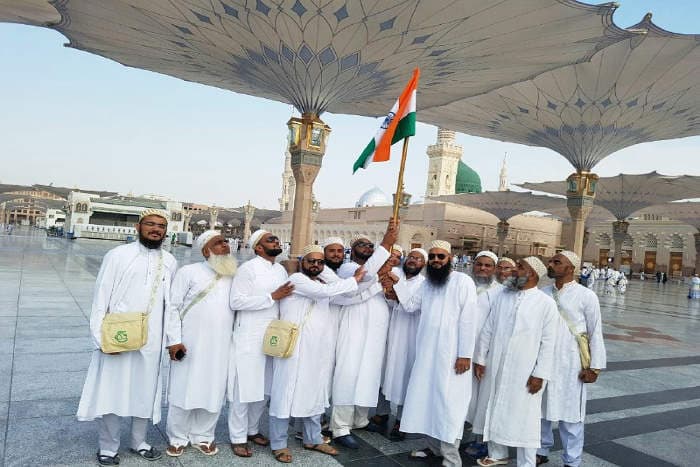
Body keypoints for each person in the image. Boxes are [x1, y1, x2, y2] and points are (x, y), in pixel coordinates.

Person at [77, 209, 177, 466]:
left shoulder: (169, 261)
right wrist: (100, 339)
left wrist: (173, 339)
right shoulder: (118, 256)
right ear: (138, 227)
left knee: (144, 391)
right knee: (112, 390)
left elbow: (172, 305)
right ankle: (108, 447)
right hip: (118, 336)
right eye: (151, 224)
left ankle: (139, 441)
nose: (156, 229)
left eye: (161, 226)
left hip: (152, 339)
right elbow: (101, 297)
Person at [268, 245, 366, 463]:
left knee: (314, 393)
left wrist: (340, 280)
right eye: (311, 261)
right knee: (285, 395)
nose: (316, 265)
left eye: (320, 262)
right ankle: (278, 443)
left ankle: (312, 438)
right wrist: (354, 279)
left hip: (317, 351)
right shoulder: (297, 280)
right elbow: (327, 292)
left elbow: (346, 294)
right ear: (302, 262)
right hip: (293, 350)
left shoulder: (321, 283)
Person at [396, 240, 478, 466]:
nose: (435, 261)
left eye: (440, 257)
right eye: (432, 257)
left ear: (450, 259)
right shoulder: (427, 284)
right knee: (427, 400)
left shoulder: (463, 282)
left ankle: (452, 457)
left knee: (448, 404)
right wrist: (395, 283)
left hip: (452, 356)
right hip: (427, 354)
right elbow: (411, 306)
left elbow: (469, 320)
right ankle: (433, 448)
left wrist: (464, 355)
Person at [472, 257, 557, 467]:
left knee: (524, 415)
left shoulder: (545, 303)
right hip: (497, 363)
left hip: (525, 370)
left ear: (533, 274)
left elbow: (548, 343)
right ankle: (497, 454)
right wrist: (481, 358)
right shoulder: (503, 296)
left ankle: (527, 461)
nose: (514, 271)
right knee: (494, 405)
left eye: (520, 268)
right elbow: (488, 328)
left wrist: (540, 374)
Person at [164, 230, 237, 457]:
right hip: (190, 343)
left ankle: (203, 436)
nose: (225, 246)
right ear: (206, 250)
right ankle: (177, 437)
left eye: (226, 242)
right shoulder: (189, 272)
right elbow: (173, 307)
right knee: (183, 388)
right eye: (219, 243)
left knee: (213, 389)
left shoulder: (233, 274)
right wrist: (174, 340)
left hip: (221, 344)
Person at [330, 220, 398, 449]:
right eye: (362, 244)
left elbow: (387, 295)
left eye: (371, 245)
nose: (367, 247)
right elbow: (363, 280)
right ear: (353, 249)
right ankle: (340, 426)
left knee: (369, 374)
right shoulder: (349, 269)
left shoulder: (379, 272)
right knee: (348, 374)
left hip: (375, 332)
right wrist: (387, 243)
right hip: (354, 328)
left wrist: (389, 287)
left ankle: (360, 419)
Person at [227, 229, 294, 458]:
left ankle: (252, 430)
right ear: (258, 247)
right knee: (244, 388)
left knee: (264, 388)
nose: (276, 241)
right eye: (270, 239)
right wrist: (271, 297)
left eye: (276, 238)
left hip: (273, 336)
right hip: (249, 335)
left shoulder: (280, 270)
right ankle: (237, 437)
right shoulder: (248, 269)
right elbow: (236, 301)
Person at [538, 251, 606, 467]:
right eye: (550, 261)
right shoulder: (543, 293)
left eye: (557, 262)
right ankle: (540, 449)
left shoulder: (586, 296)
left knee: (571, 416)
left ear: (571, 268)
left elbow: (595, 332)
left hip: (572, 364)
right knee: (541, 411)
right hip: (544, 361)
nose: (551, 264)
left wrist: (594, 367)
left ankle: (572, 460)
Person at [380, 247, 427, 440]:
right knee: (386, 374)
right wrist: (390, 295)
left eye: (418, 259)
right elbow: (393, 301)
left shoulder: (424, 284)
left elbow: (411, 306)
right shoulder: (396, 274)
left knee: (405, 379)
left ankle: (402, 421)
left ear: (423, 264)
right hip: (392, 332)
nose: (413, 261)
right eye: (411, 257)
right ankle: (381, 414)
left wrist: (397, 287)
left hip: (410, 337)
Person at [464, 251, 504, 459]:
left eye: (488, 266)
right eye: (479, 265)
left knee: (484, 399)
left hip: (485, 355)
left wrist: (483, 356)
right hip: (462, 351)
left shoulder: (501, 293)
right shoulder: (464, 286)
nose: (483, 269)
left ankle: (482, 441)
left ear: (495, 269)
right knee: (464, 396)